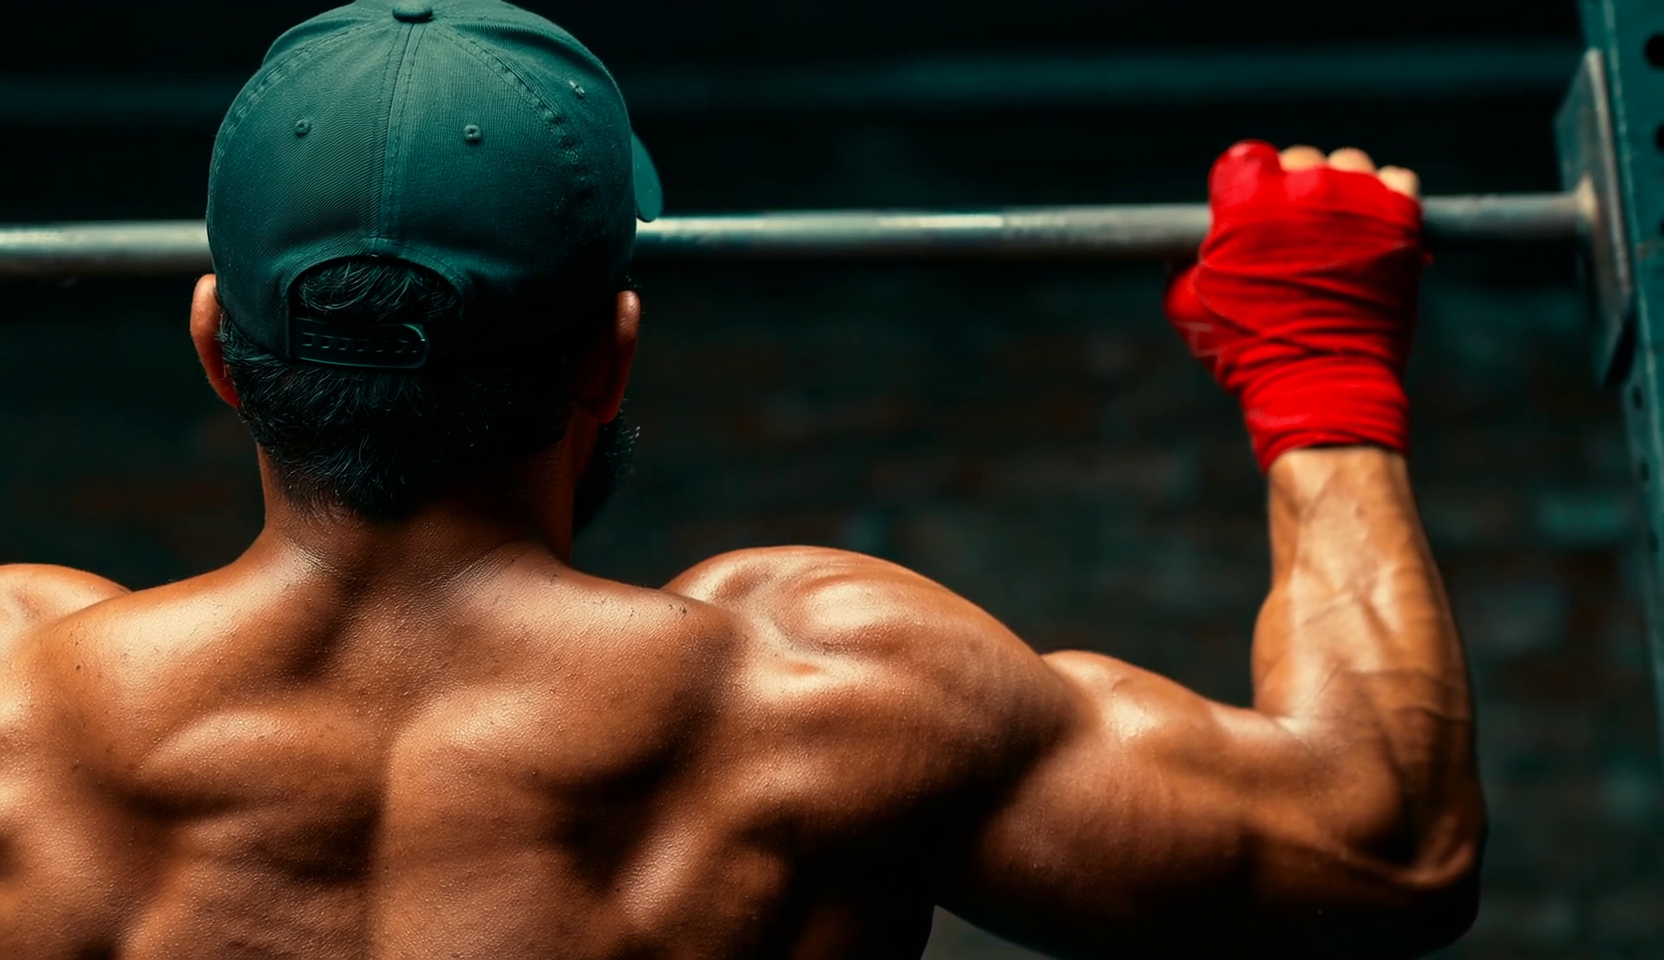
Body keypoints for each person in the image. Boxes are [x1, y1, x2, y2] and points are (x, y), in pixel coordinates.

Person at [0, 1, 1483, 957]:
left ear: (216, 343)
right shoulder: (814, 702)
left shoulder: (20, 701)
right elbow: (1386, 840)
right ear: (611, 357)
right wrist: (1318, 369)